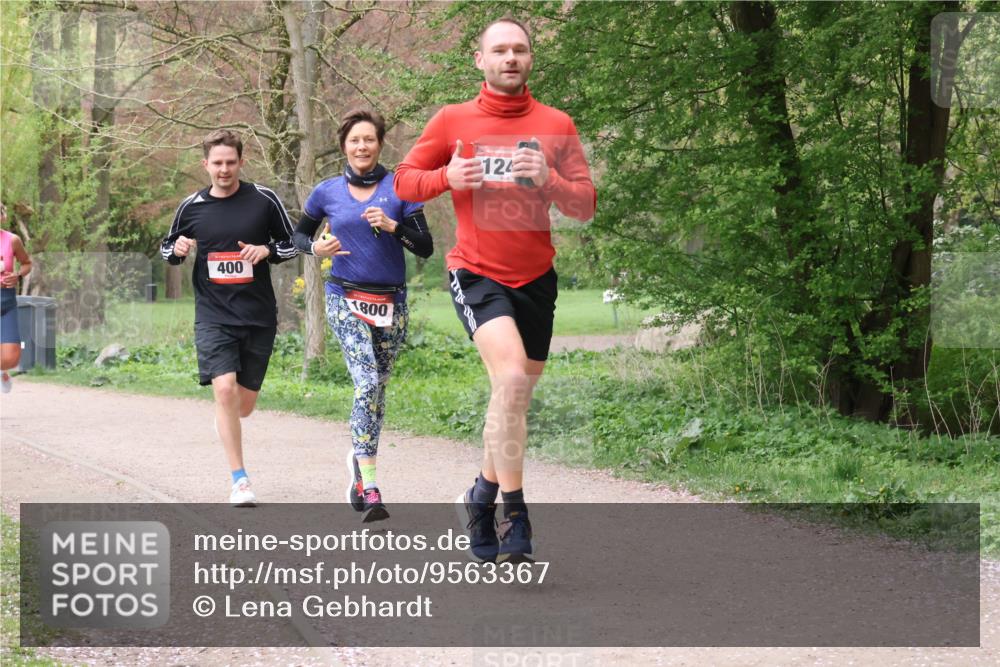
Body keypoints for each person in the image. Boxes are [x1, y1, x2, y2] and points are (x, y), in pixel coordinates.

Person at [395, 18, 596, 562]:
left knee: (514, 399)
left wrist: (549, 180)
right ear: (479, 60)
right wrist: (446, 179)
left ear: (531, 59)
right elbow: (403, 180)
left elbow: (585, 205)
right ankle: (516, 511)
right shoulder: (453, 120)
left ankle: (478, 497)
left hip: (537, 278)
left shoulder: (556, 124)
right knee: (508, 378)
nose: (511, 57)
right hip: (477, 272)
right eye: (500, 50)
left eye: (520, 50)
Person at [293, 109, 432, 523]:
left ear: (380, 144)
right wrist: (315, 250)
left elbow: (424, 247)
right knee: (367, 379)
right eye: (355, 140)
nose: (362, 146)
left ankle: (358, 462)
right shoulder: (326, 192)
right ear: (344, 146)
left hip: (392, 301)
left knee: (378, 389)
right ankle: (371, 486)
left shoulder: (400, 188)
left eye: (369, 139)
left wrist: (394, 226)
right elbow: (298, 235)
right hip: (344, 296)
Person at [160, 130, 298, 506]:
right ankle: (240, 480)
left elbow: (294, 244)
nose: (224, 170)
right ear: (205, 165)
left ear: (241, 161)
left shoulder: (263, 200)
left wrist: (265, 250)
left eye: (230, 162)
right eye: (217, 163)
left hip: (257, 315)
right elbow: (167, 249)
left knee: (244, 406)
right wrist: (179, 247)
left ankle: (226, 418)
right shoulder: (191, 207)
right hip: (213, 314)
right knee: (224, 390)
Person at [1, 202, 33, 393]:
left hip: (6, 300)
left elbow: (27, 263)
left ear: (2, 216)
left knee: (11, 357)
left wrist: (17, 275)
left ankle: (2, 371)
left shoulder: (12, 240)